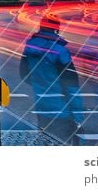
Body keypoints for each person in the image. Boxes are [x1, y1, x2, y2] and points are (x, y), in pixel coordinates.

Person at [19, 16, 84, 144]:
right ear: (56, 30)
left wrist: (40, 86)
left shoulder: (30, 48)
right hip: (62, 110)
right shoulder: (60, 52)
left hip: (41, 106)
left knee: (46, 142)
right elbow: (71, 85)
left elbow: (24, 74)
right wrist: (78, 117)